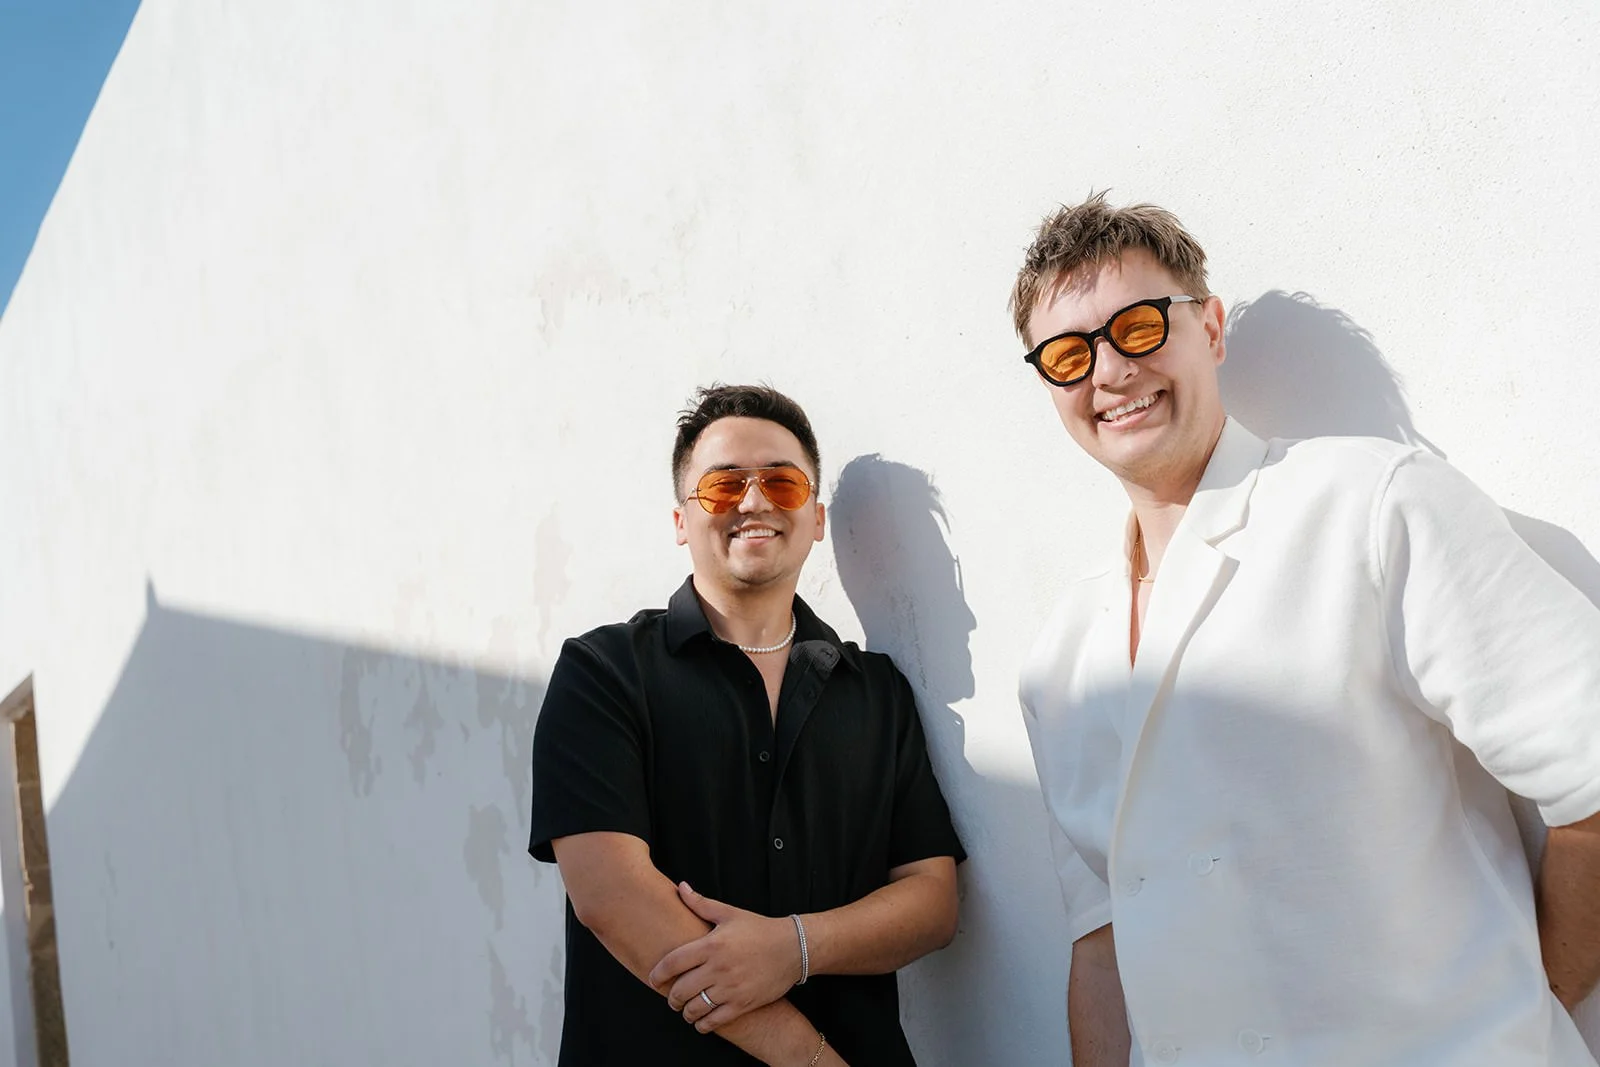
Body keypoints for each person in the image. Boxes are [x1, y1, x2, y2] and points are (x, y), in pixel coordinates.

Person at [1008, 193, 1600, 1066]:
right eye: (1067, 354)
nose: (1108, 372)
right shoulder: (1060, 660)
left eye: (1137, 326)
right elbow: (1101, 944)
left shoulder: (1373, 504)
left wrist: (1526, 1006)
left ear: (1209, 327)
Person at [528, 384, 965, 1067]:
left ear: (816, 517)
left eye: (782, 483)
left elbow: (933, 899)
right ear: (681, 519)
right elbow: (611, 896)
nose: (755, 501)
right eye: (725, 485)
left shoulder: (878, 693)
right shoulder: (604, 672)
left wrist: (794, 946)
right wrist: (812, 1061)